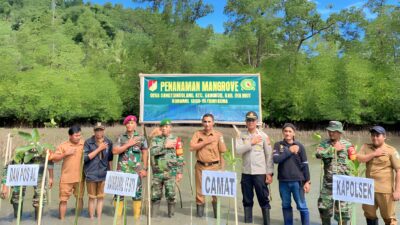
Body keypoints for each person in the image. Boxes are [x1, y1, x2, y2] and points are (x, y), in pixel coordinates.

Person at [357, 126, 400, 225]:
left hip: (385, 191)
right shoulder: (366, 147)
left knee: (389, 218)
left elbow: (399, 170)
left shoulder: (391, 150)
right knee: (369, 215)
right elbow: (359, 159)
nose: (375, 138)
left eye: (378, 135)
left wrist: (398, 191)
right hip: (368, 189)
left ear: (384, 136)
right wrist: (374, 154)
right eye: (373, 135)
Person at [235, 111, 273, 225]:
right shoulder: (241, 135)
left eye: (253, 120)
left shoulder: (263, 136)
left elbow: (269, 155)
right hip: (246, 172)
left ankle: (267, 222)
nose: (251, 122)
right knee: (247, 199)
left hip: (260, 173)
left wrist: (269, 173)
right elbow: (238, 151)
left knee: (263, 198)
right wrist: (251, 142)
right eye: (248, 120)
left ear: (256, 122)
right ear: (245, 122)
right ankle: (248, 222)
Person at [315, 121, 354, 225]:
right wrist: (333, 150)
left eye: (334, 131)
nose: (331, 133)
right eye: (329, 131)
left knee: (343, 213)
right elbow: (318, 154)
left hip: (343, 186)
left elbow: (354, 161)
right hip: (328, 185)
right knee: (324, 210)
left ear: (340, 132)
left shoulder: (348, 145)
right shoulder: (324, 144)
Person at [1, 147, 54, 220]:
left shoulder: (43, 153)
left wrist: (51, 177)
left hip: (38, 174)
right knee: (17, 195)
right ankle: (17, 218)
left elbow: (50, 161)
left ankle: (37, 219)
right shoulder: (21, 155)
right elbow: (8, 168)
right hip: (22, 173)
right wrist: (5, 186)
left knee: (40, 196)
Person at [190, 113, 226, 218]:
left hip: (215, 167)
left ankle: (216, 218)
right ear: (202, 122)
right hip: (200, 167)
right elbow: (191, 147)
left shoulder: (219, 135)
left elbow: (222, 153)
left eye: (209, 121)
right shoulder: (197, 134)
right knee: (200, 193)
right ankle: (200, 218)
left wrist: (222, 170)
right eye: (205, 121)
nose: (207, 124)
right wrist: (205, 142)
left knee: (215, 193)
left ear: (213, 123)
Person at [273, 123, 310, 225]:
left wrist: (307, 181)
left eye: (290, 131)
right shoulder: (278, 145)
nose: (287, 133)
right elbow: (276, 159)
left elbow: (305, 165)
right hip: (283, 182)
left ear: (294, 133)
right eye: (285, 131)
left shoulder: (300, 146)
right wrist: (289, 151)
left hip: (298, 182)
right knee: (286, 205)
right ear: (283, 132)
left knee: (302, 206)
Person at [112, 115, 148, 219]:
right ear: (125, 124)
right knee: (119, 195)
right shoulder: (120, 137)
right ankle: (118, 219)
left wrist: (145, 169)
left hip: (136, 172)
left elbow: (145, 153)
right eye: (128, 123)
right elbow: (114, 151)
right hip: (121, 170)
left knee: (137, 195)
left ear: (135, 124)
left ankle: (136, 219)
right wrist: (128, 144)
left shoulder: (141, 138)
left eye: (132, 123)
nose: (129, 125)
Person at [150, 119, 184, 217]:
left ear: (170, 128)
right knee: (155, 196)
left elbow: (180, 156)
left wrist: (179, 172)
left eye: (166, 126)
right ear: (160, 128)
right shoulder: (156, 139)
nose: (164, 128)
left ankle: (171, 216)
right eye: (163, 126)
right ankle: (154, 217)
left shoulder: (176, 139)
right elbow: (151, 152)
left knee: (171, 195)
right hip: (157, 173)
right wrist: (164, 146)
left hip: (171, 173)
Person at [50, 125, 85, 220]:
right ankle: (62, 220)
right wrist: (65, 154)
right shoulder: (63, 146)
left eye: (80, 135)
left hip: (80, 177)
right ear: (70, 136)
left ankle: (79, 219)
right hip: (66, 178)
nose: (78, 137)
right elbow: (54, 159)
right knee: (63, 200)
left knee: (80, 198)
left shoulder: (84, 144)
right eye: (76, 136)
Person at [83, 122, 113, 220]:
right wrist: (99, 148)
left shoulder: (109, 142)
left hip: (103, 174)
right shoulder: (88, 142)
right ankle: (91, 218)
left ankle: (99, 218)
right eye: (97, 130)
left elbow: (110, 159)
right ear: (94, 131)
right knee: (92, 198)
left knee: (101, 197)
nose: (99, 132)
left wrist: (111, 173)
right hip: (91, 174)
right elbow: (86, 158)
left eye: (101, 130)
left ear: (104, 130)